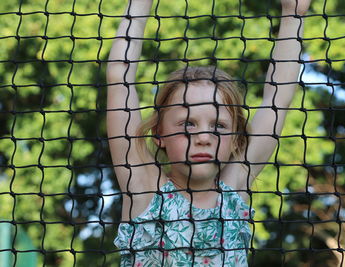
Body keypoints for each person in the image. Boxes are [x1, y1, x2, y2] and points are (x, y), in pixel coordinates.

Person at [107, 0, 311, 266]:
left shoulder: (235, 188)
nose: (204, 137)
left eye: (219, 126)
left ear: (236, 138)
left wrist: (294, 13)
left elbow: (278, 98)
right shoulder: (144, 187)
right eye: (187, 124)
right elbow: (119, 77)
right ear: (159, 133)